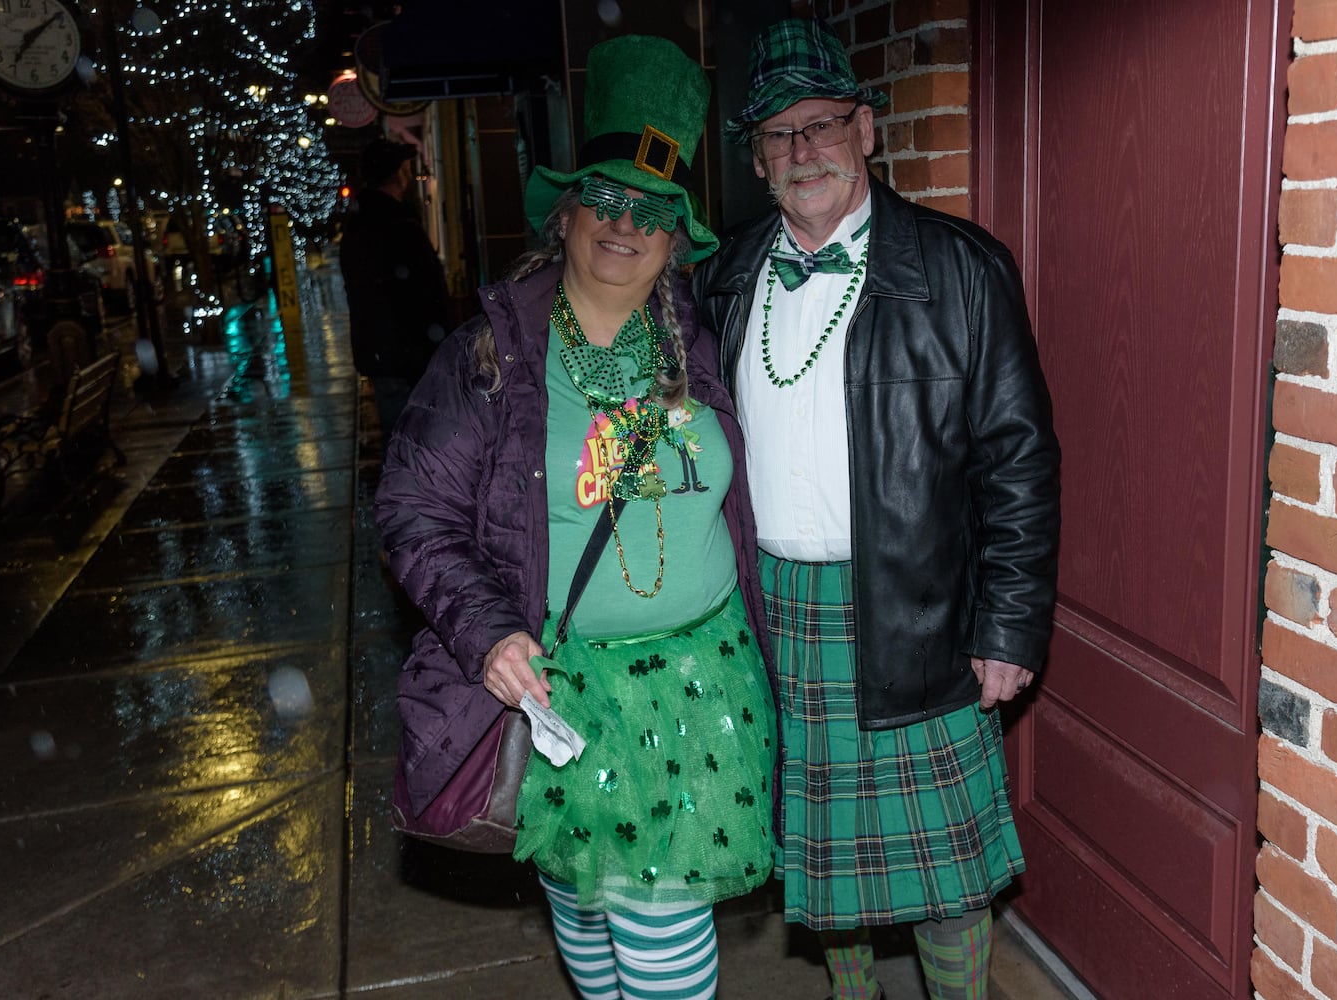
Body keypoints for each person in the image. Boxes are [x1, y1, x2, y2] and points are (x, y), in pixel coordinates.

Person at [374, 35, 777, 1000]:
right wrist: (486, 632)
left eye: (651, 209)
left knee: (663, 941)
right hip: (565, 691)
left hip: (703, 683)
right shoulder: (491, 356)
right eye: (605, 195)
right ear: (567, 212)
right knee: (588, 918)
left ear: (677, 234)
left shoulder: (707, 340)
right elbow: (412, 509)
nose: (623, 223)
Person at [692, 18, 1061, 1000]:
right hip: (770, 610)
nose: (801, 151)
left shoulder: (962, 270)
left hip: (916, 606)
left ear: (865, 130)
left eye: (819, 125)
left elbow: (1018, 462)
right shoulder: (719, 280)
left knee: (943, 874)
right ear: (756, 159)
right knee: (825, 866)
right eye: (776, 135)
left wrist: (1010, 623)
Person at [340, 135, 452, 438]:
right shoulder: (396, 223)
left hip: (383, 354)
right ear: (398, 174)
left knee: (400, 437)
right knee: (418, 439)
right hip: (408, 356)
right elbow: (424, 294)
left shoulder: (360, 223)